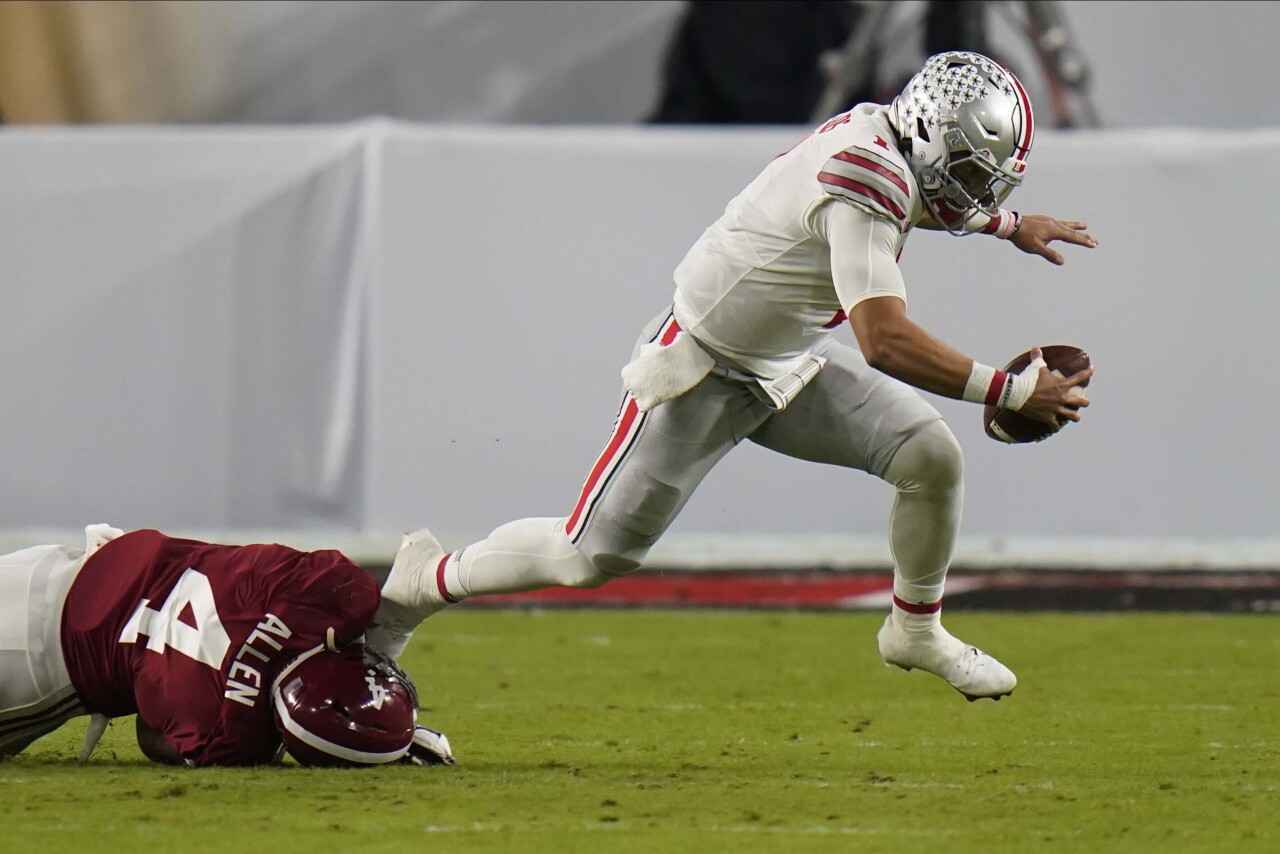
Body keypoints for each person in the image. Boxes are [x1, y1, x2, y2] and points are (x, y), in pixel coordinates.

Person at [378, 51, 1095, 701]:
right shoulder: (864, 175)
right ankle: (426, 579)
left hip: (788, 360)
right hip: (704, 367)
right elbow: (883, 340)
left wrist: (1008, 225)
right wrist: (1008, 390)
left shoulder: (888, 141)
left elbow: (920, 198)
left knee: (930, 457)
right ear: (931, 140)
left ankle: (915, 630)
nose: (974, 193)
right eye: (968, 173)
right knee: (587, 555)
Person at [0, 524, 454, 766]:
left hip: (59, 566)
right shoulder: (232, 736)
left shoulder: (328, 591)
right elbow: (151, 736)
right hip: (38, 663)